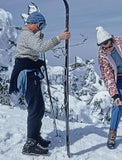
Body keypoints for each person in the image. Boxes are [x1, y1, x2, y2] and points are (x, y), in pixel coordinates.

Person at [9, 11, 71, 155]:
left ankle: (35, 137)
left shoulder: (29, 35)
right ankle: (30, 144)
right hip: (28, 74)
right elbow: (41, 47)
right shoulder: (26, 35)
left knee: (39, 107)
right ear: (33, 23)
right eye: (40, 25)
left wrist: (38, 39)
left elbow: (34, 48)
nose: (40, 28)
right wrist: (59, 38)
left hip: (31, 72)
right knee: (35, 108)